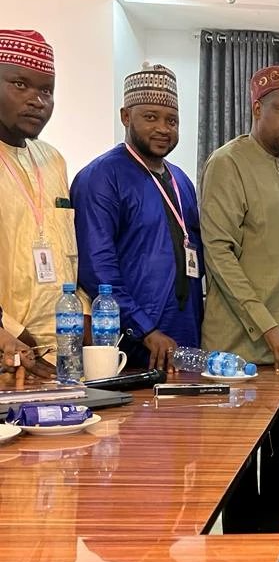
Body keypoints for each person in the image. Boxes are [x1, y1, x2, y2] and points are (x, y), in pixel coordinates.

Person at [72, 64, 204, 370]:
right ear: (126, 116)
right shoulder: (101, 176)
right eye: (150, 117)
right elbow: (97, 267)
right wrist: (144, 328)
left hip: (185, 333)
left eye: (171, 120)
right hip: (131, 343)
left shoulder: (182, 180)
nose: (163, 128)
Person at [200, 65, 279, 371]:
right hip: (237, 354)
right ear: (257, 108)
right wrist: (269, 329)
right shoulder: (227, 163)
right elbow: (219, 256)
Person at [0, 30, 83, 365]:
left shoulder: (53, 160)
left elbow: (69, 252)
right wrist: (8, 330)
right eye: (21, 85)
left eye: (46, 90)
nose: (37, 100)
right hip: (10, 352)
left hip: (60, 352)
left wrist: (85, 316)